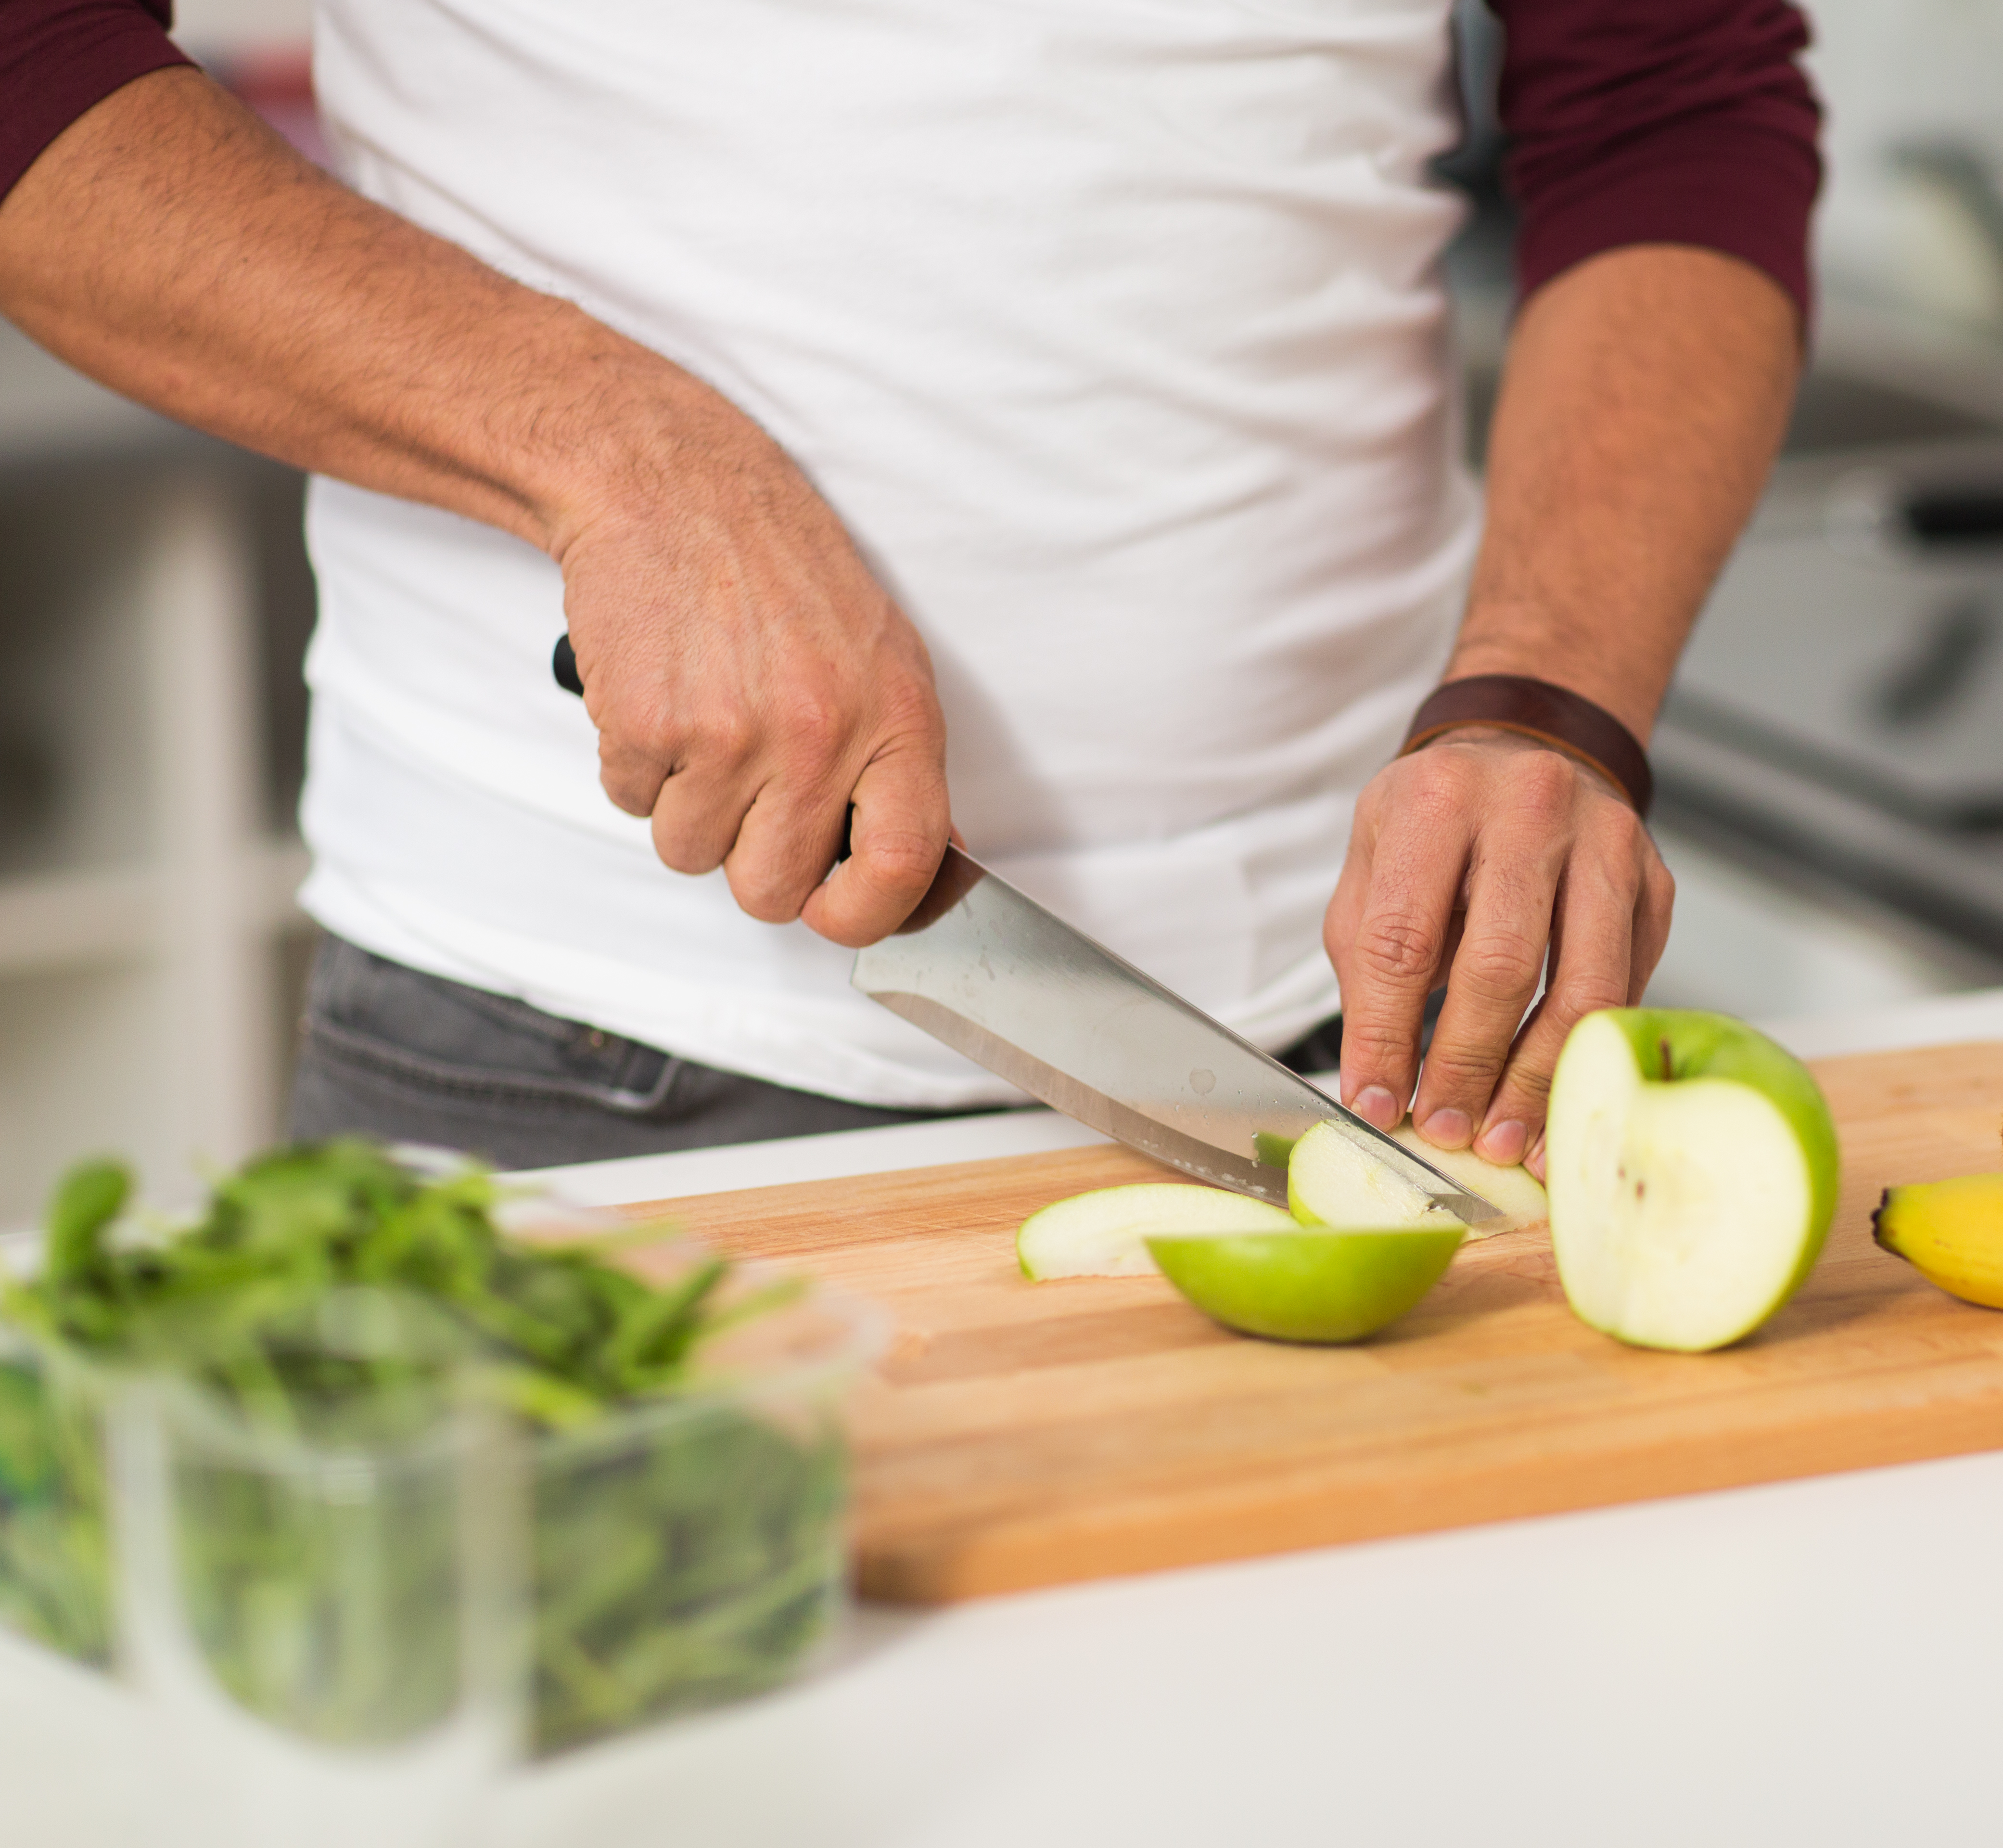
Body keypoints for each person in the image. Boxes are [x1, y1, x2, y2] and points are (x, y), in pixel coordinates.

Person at [0, 0, 1819, 1174]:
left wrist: (1545, 692)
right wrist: (615, 456)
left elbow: (1674, 104)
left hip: (1381, 1044)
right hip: (566, 1047)